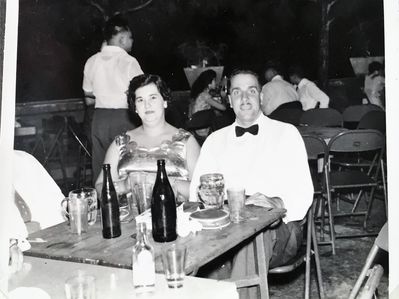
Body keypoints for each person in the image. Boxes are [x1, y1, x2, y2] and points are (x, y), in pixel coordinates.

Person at [189, 69, 313, 297]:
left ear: (262, 97)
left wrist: (276, 202)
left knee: (250, 236)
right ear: (229, 100)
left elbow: (304, 192)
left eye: (251, 91)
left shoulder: (286, 133)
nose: (244, 98)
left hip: (279, 229)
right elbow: (195, 193)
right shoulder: (215, 141)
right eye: (237, 92)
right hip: (225, 231)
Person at [96, 74, 201, 200]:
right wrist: (125, 185)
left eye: (153, 98)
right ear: (135, 107)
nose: (147, 105)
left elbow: (202, 190)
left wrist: (165, 182)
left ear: (165, 102)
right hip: (129, 218)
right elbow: (99, 188)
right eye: (140, 100)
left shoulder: (186, 141)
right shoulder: (120, 143)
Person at [82, 14, 144, 181]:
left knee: (102, 167)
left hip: (99, 119)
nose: (132, 42)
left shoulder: (91, 61)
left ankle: (104, 205)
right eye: (130, 38)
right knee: (127, 167)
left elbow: (88, 99)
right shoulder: (129, 61)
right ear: (122, 39)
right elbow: (143, 92)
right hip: (124, 118)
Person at [188, 69, 227, 139]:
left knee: (219, 117)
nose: (216, 82)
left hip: (198, 126)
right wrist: (223, 97)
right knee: (224, 120)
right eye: (214, 80)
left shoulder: (200, 94)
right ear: (209, 83)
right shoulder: (205, 95)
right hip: (202, 128)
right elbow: (223, 108)